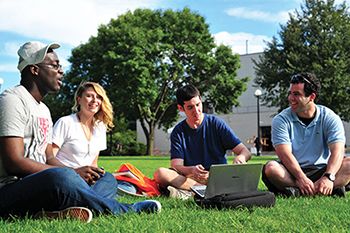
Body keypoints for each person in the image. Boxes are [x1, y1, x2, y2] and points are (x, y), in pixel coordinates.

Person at [0, 41, 161, 222]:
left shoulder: (44, 110)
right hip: (12, 190)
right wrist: (71, 174)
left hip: (45, 185)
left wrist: (78, 171)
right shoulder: (12, 100)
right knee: (61, 177)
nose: (61, 71)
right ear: (34, 70)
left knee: (105, 178)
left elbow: (50, 158)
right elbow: (14, 162)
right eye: (54, 66)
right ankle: (126, 210)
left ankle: (57, 211)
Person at [154, 84, 251, 199]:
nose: (196, 111)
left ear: (201, 100)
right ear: (181, 108)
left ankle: (192, 192)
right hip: (191, 178)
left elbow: (245, 152)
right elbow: (176, 165)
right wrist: (192, 170)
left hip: (216, 178)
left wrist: (241, 158)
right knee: (160, 173)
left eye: (198, 105)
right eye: (190, 107)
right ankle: (205, 191)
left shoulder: (216, 123)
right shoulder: (178, 131)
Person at [262, 72, 350, 197]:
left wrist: (328, 176)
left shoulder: (330, 117)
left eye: (296, 94)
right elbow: (284, 153)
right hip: (292, 171)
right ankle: (326, 190)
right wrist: (301, 178)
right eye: (290, 93)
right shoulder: (281, 120)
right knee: (271, 168)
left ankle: (301, 191)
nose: (291, 98)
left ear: (311, 97)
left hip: (322, 169)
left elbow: (338, 151)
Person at [52, 81, 137, 194]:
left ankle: (91, 195)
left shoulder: (100, 127)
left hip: (87, 180)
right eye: (89, 96)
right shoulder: (65, 122)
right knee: (111, 186)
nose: (94, 100)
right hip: (67, 177)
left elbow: (93, 163)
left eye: (98, 97)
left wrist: (94, 174)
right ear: (78, 99)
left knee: (109, 179)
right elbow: (49, 159)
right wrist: (75, 172)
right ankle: (95, 196)